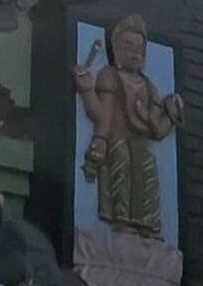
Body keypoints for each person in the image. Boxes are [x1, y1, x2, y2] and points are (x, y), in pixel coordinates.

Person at [72, 14, 184, 238]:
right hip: (117, 139)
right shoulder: (109, 75)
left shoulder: (148, 86)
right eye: (128, 47)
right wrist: (86, 91)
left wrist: (172, 115)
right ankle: (121, 221)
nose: (135, 54)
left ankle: (146, 225)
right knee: (120, 160)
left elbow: (156, 130)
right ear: (115, 50)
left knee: (147, 166)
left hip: (140, 143)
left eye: (140, 49)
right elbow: (100, 113)